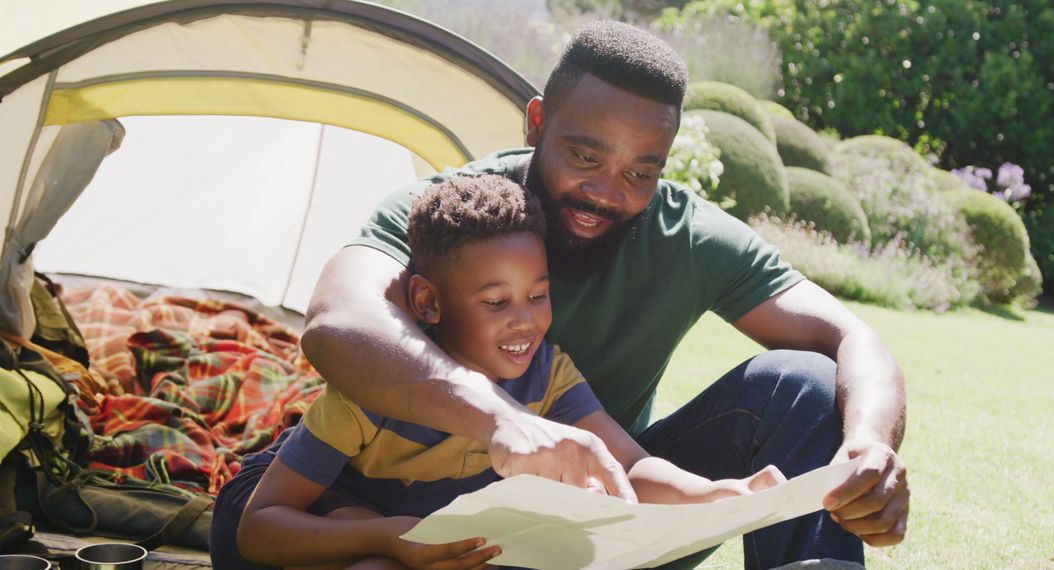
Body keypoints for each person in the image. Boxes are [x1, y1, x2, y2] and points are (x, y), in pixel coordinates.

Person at [302, 21, 908, 570]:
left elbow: (853, 337)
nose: (605, 193)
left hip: (600, 507)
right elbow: (337, 320)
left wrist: (870, 449)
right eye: (584, 155)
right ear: (537, 123)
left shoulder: (688, 236)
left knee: (803, 383)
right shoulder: (454, 220)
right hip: (403, 510)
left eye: (640, 173)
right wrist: (499, 420)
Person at [209, 175, 787, 569]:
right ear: (428, 303)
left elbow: (630, 468)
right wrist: (394, 536)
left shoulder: (546, 378)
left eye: (538, 295)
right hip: (295, 522)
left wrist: (714, 496)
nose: (526, 322)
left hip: (419, 538)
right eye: (496, 302)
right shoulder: (376, 390)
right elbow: (258, 527)